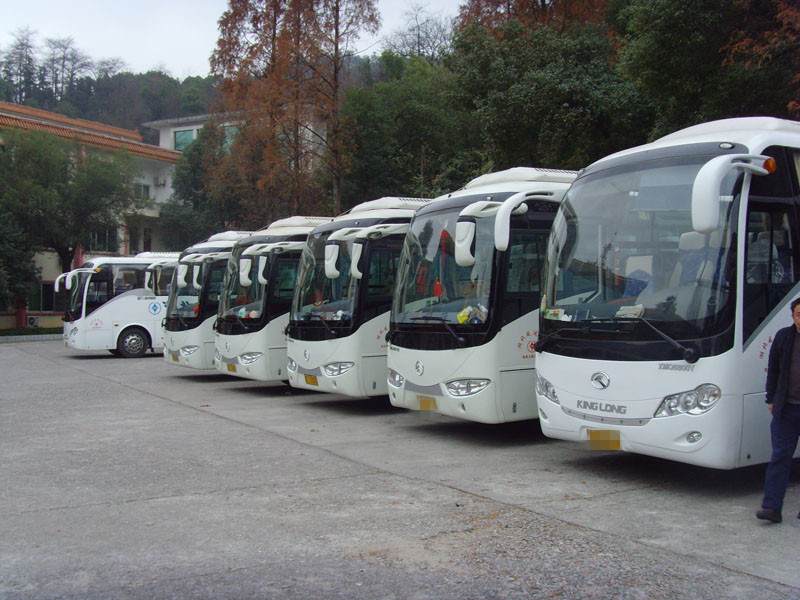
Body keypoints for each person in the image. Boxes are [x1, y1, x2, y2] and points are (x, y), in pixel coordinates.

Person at [756, 297, 800, 523]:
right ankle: (772, 508)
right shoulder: (783, 337)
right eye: (799, 315)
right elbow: (773, 370)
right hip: (786, 409)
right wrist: (771, 399)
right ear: (792, 317)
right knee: (780, 458)